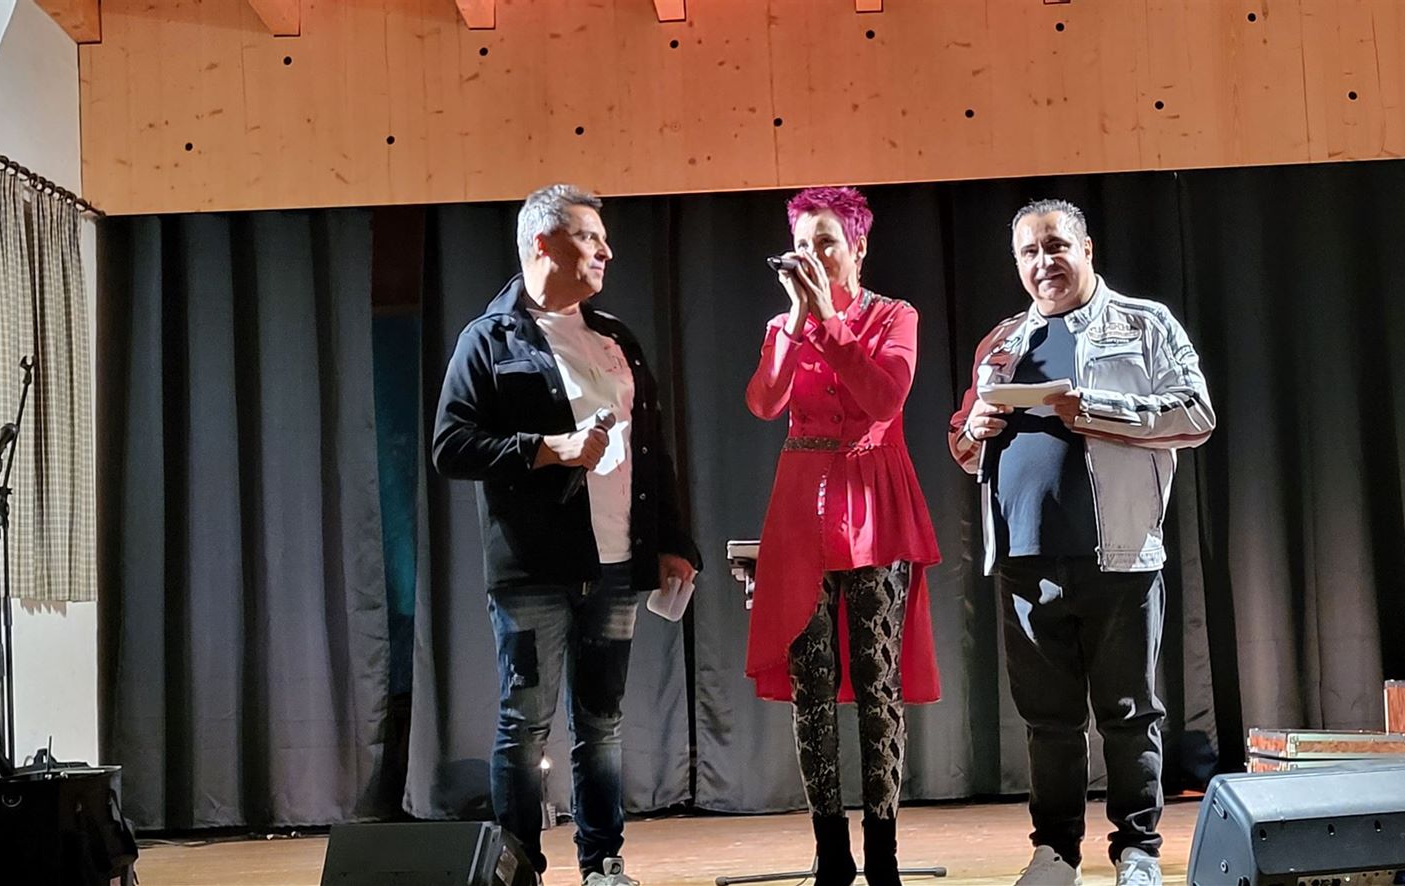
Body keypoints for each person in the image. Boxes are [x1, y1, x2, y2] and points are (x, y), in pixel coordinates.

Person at [433, 183, 702, 886]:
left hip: (615, 561)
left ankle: (602, 863)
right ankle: (519, 868)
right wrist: (545, 449)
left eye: (604, 239)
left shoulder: (616, 337)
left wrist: (673, 540)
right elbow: (450, 446)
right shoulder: (488, 339)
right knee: (525, 723)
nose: (606, 250)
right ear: (542, 243)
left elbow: (653, 451)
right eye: (589, 237)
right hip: (533, 567)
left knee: (602, 722)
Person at [946, 199, 1214, 886]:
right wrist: (974, 430)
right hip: (1024, 558)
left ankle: (1137, 850)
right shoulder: (1002, 341)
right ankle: (1055, 853)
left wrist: (1091, 409)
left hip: (1117, 554)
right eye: (1030, 253)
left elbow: (1196, 414)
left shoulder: (1144, 324)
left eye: (1056, 246)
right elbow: (963, 450)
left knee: (1129, 714)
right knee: (1049, 721)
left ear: (1086, 248)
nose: (1044, 263)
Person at [745, 186, 941, 886]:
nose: (812, 255)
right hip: (801, 504)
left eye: (825, 242)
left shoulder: (895, 316)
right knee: (813, 684)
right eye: (801, 244)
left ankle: (882, 853)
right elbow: (764, 401)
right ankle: (832, 853)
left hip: (873, 498)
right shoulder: (784, 324)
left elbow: (885, 397)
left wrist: (829, 321)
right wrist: (799, 322)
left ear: (858, 246)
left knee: (878, 680)